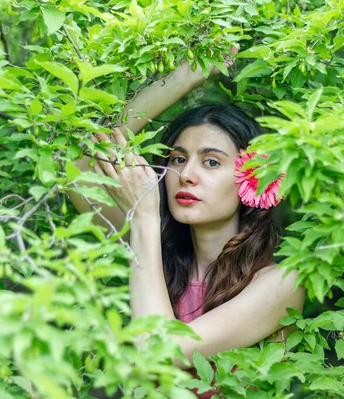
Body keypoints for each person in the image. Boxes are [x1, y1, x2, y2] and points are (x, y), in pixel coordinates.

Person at [69, 52, 305, 396]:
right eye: (178, 159)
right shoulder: (155, 250)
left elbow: (159, 351)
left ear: (252, 178)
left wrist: (144, 215)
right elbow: (81, 158)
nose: (187, 175)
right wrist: (187, 75)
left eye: (211, 162)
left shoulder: (281, 283)